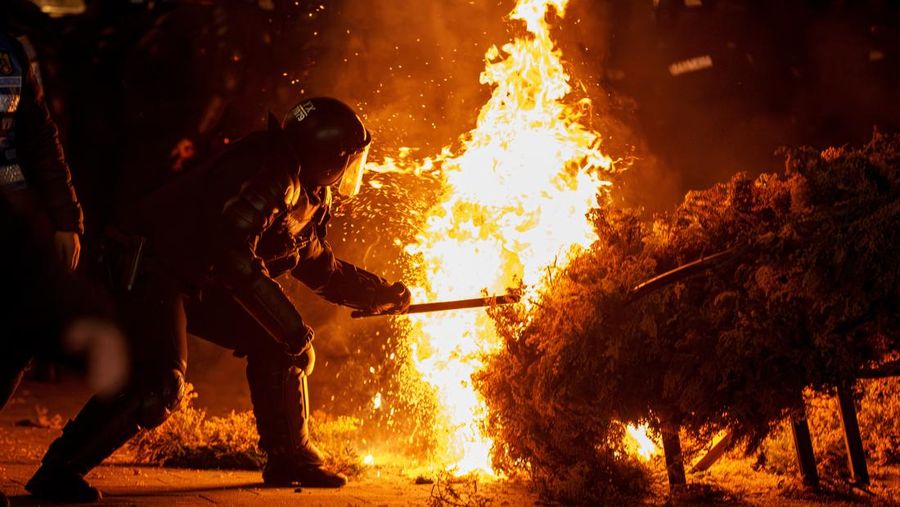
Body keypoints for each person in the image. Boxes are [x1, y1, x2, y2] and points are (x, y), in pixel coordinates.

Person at [26, 97, 411, 502]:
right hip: (151, 268)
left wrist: (378, 293)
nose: (352, 173)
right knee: (161, 382)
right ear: (327, 157)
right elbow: (232, 253)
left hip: (199, 275)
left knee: (280, 346)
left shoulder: (305, 185)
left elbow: (318, 266)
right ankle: (59, 470)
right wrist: (292, 327)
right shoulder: (272, 173)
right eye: (349, 161)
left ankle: (289, 458)